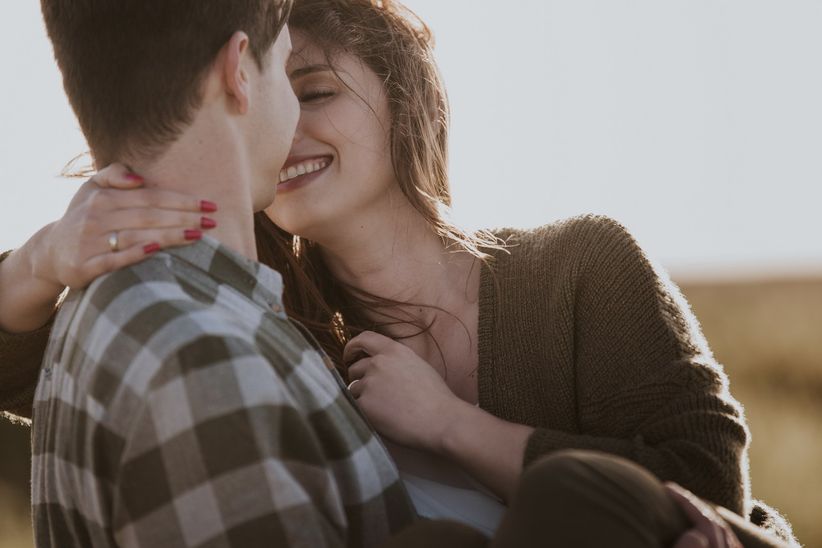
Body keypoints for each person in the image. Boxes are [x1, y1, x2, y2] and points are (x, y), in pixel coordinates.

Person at [0, 0, 797, 546]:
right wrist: (42, 259)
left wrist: (452, 425)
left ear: (402, 98)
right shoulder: (272, 333)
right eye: (287, 87)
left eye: (317, 91)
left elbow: (705, 488)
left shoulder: (580, 266)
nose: (291, 128)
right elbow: (38, 368)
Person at [20, 0, 418, 546]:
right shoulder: (203, 351)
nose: (296, 113)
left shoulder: (116, 309)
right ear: (237, 73)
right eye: (280, 67)